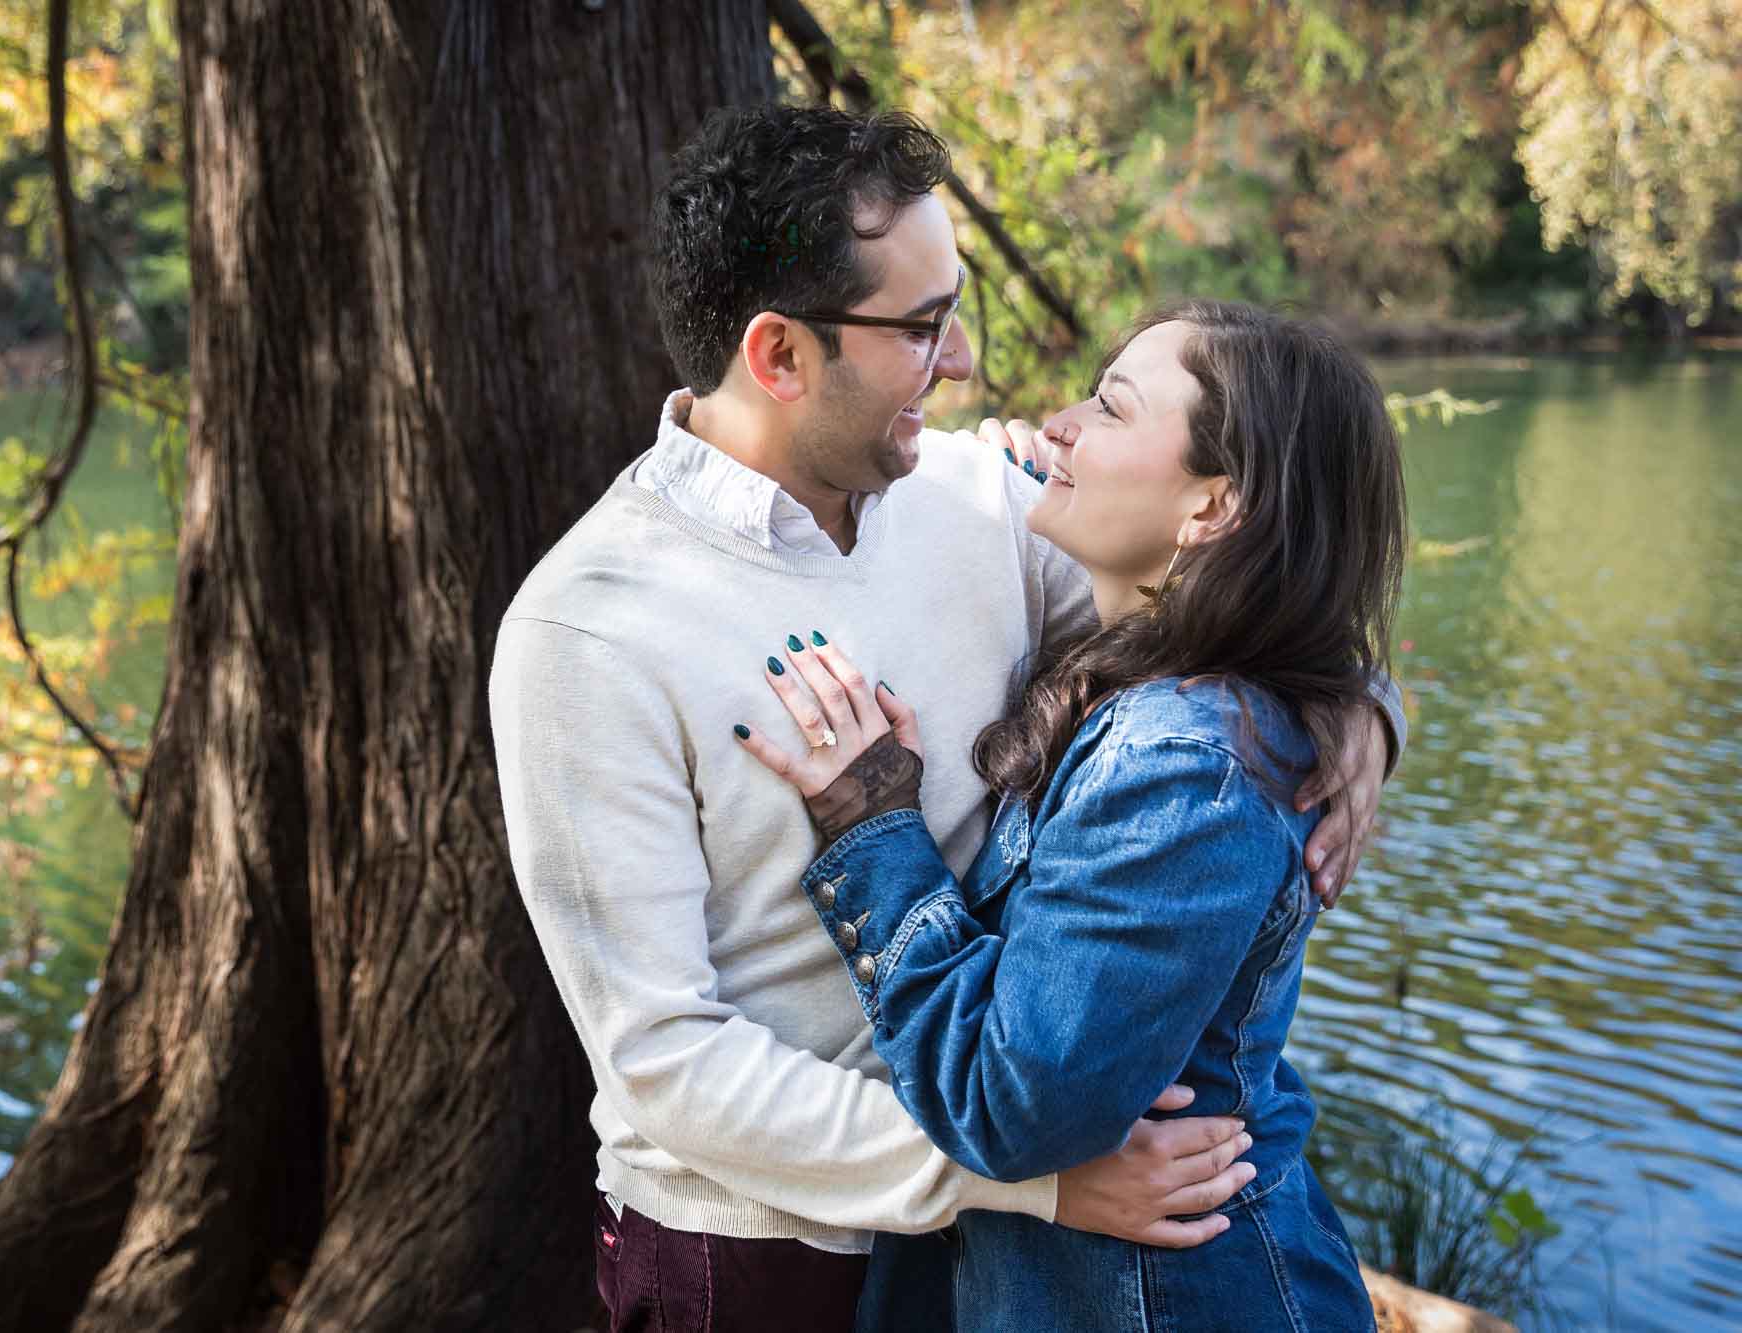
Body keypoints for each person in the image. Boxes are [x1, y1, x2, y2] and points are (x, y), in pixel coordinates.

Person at [488, 105, 1399, 1332]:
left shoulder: (985, 504)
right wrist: (1024, 1174)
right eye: (922, 328)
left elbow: (1242, 604)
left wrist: (1353, 712)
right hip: (767, 1256)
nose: (963, 361)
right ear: (779, 356)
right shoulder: (588, 630)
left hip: (1005, 1241)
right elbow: (662, 1061)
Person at [733, 301, 1400, 1331]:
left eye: (1109, 407)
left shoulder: (1179, 768)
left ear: (1211, 508)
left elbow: (1008, 1108)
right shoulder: (1150, 680)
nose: (1054, 420)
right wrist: (1365, 704)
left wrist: (870, 826)